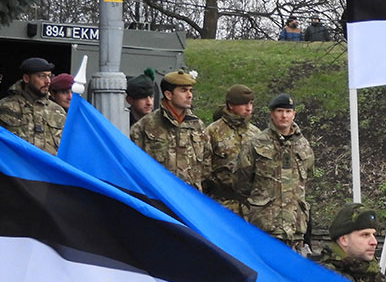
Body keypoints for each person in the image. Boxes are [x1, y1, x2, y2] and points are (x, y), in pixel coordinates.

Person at [233, 93, 314, 250]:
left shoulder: (303, 145)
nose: (284, 116)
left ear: (294, 114)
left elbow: (306, 179)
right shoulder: (256, 144)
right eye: (280, 111)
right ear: (271, 113)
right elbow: (240, 182)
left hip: (295, 228)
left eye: (288, 112)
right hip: (265, 226)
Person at [130, 69, 209, 190]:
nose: (189, 95)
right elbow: (134, 166)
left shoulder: (197, 126)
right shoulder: (144, 127)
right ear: (168, 95)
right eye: (183, 90)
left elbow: (206, 166)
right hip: (159, 198)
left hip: (189, 199)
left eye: (190, 90)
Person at [204, 84, 261, 217]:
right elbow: (203, 171)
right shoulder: (212, 132)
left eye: (251, 103)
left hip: (249, 208)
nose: (249, 108)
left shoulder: (256, 134)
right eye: (244, 104)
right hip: (220, 205)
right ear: (231, 105)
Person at [0, 57, 66, 155]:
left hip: (47, 169)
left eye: (49, 76)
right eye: (41, 76)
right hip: (16, 167)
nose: (47, 81)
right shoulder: (5, 107)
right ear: (26, 78)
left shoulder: (58, 111)